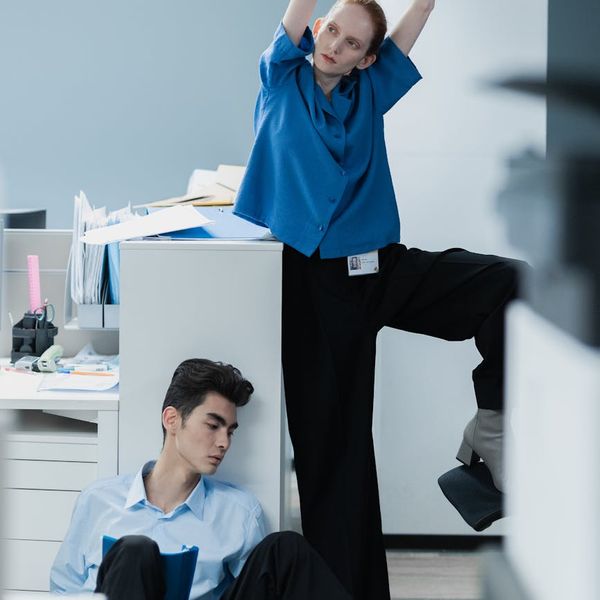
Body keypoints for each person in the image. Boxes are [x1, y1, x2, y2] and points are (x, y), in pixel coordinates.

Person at [233, 1, 526, 599]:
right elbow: (296, 18)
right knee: (337, 460)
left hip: (380, 268)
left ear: (367, 59)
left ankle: (490, 430)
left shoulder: (370, 90)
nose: (333, 44)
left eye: (350, 43)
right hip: (314, 286)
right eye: (330, 30)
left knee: (512, 283)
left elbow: (411, 26)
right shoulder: (281, 79)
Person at [50, 358, 350, 600]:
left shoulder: (240, 512)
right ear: (172, 419)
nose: (224, 443)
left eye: (230, 431)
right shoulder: (99, 500)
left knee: (286, 548)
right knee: (134, 551)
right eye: (213, 425)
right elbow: (64, 589)